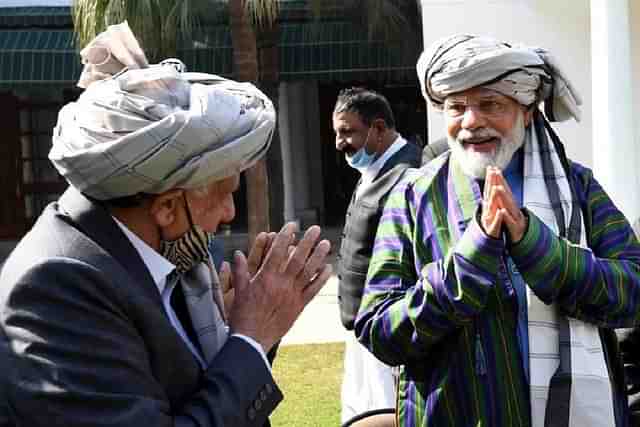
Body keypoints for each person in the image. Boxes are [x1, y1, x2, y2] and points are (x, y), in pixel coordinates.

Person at [0, 23, 332, 427]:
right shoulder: (56, 287)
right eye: (225, 193)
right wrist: (251, 340)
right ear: (168, 207)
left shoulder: (153, 258)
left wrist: (229, 337)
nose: (229, 213)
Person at [354, 34, 640, 427]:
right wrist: (469, 262)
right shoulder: (413, 196)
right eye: (456, 107)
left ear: (525, 111)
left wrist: (537, 246)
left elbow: (632, 291)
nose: (471, 121)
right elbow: (379, 328)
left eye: (490, 104)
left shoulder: (578, 188)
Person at [332, 87, 421, 424]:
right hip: (360, 331)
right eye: (337, 133)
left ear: (379, 128)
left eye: (347, 131)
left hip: (387, 331)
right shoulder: (371, 169)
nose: (340, 142)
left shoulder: (411, 173)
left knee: (385, 416)